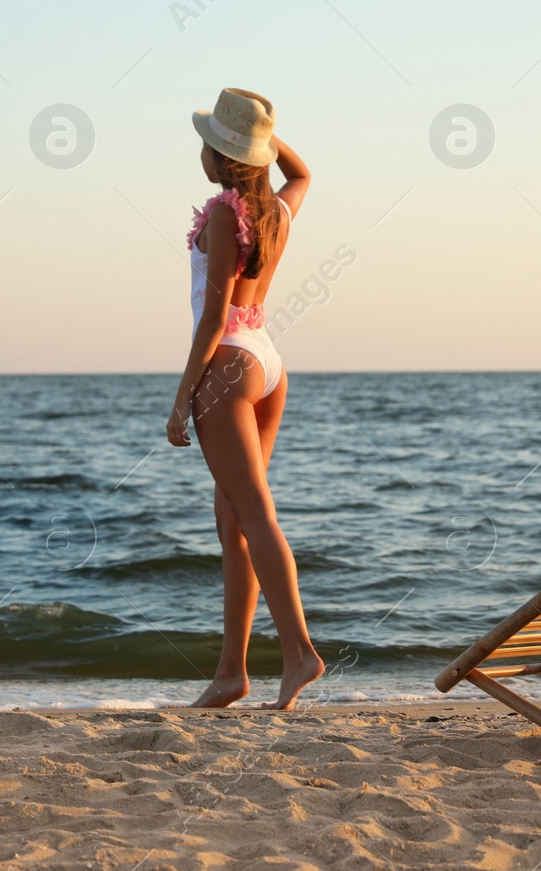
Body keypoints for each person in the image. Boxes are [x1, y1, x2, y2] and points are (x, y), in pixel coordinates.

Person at [166, 87, 324, 710]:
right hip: (267, 359)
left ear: (219, 155)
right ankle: (231, 672)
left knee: (253, 518)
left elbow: (213, 319)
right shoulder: (277, 211)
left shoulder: (226, 215)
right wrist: (261, 144)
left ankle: (299, 652)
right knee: (234, 524)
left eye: (210, 143)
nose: (202, 153)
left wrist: (182, 398)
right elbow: (302, 173)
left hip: (228, 362)